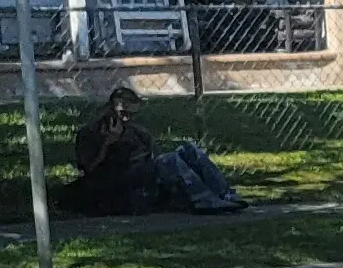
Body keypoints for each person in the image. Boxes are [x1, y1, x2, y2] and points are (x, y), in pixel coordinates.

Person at [58, 87, 244, 215]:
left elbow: (154, 154)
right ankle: (203, 199)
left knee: (190, 149)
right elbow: (88, 169)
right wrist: (108, 143)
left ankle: (225, 193)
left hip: (146, 174)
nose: (126, 119)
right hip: (117, 179)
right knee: (168, 161)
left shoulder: (135, 130)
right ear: (111, 109)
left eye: (131, 115)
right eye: (123, 114)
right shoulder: (91, 132)